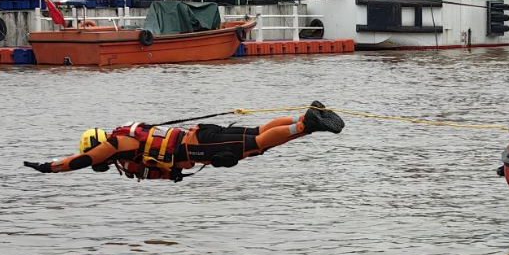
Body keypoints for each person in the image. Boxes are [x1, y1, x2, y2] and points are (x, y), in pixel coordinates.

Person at [23, 102, 344, 181]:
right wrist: (171, 174)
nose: (98, 163)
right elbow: (159, 172)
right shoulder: (127, 147)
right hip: (198, 138)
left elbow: (81, 162)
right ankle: (306, 120)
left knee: (257, 144)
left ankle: (304, 122)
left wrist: (51, 167)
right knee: (255, 135)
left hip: (196, 147)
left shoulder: (116, 144)